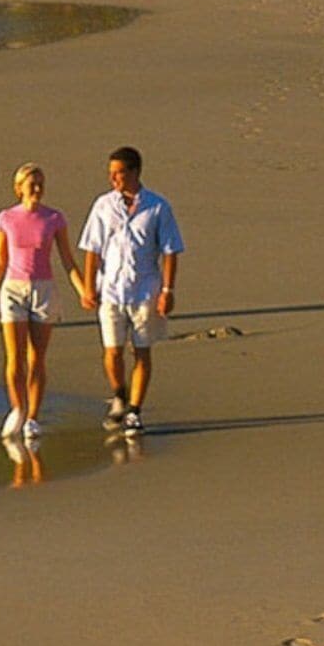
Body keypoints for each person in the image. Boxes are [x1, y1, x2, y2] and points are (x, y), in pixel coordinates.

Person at [77, 146, 183, 436]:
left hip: (145, 289)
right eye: (111, 173)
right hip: (111, 289)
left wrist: (167, 290)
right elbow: (92, 248)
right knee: (112, 351)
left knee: (142, 351)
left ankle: (135, 410)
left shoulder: (158, 206)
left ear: (135, 172)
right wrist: (88, 286)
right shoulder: (103, 205)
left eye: (119, 173)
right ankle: (119, 395)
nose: (113, 179)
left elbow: (171, 250)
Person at [0, 164, 73, 443]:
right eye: (31, 183)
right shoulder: (7, 218)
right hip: (13, 288)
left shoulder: (54, 218)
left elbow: (67, 258)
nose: (36, 188)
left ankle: (33, 417)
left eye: (40, 183)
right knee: (15, 357)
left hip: (43, 290)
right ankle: (18, 408)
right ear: (19, 187)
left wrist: (83, 288)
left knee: (37, 357)